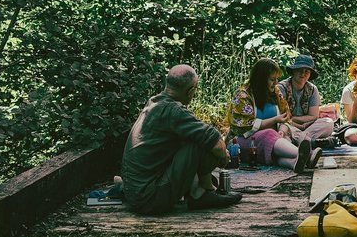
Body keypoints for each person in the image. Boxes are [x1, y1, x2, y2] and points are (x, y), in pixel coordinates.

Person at [120, 65, 242, 215]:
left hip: (137, 194)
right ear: (190, 91)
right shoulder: (172, 111)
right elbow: (215, 142)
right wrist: (223, 156)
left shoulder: (154, 102)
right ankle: (204, 193)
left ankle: (201, 189)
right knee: (200, 143)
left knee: (192, 137)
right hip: (150, 199)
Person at [228, 58, 318, 173]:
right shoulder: (243, 96)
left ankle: (295, 163)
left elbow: (286, 118)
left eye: (277, 79)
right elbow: (245, 126)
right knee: (269, 134)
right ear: (261, 79)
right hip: (245, 142)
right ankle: (307, 155)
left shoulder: (276, 93)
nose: (276, 83)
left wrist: (282, 129)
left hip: (272, 141)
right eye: (272, 79)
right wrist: (274, 120)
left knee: (283, 137)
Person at [277, 53, 336, 157]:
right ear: (294, 71)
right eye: (300, 70)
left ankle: (300, 141)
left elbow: (313, 116)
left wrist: (302, 124)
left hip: (307, 126)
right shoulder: (282, 88)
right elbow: (282, 117)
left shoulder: (312, 89)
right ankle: (311, 142)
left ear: (310, 74)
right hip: (288, 125)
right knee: (280, 127)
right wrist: (297, 124)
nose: (303, 74)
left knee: (328, 122)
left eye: (307, 71)